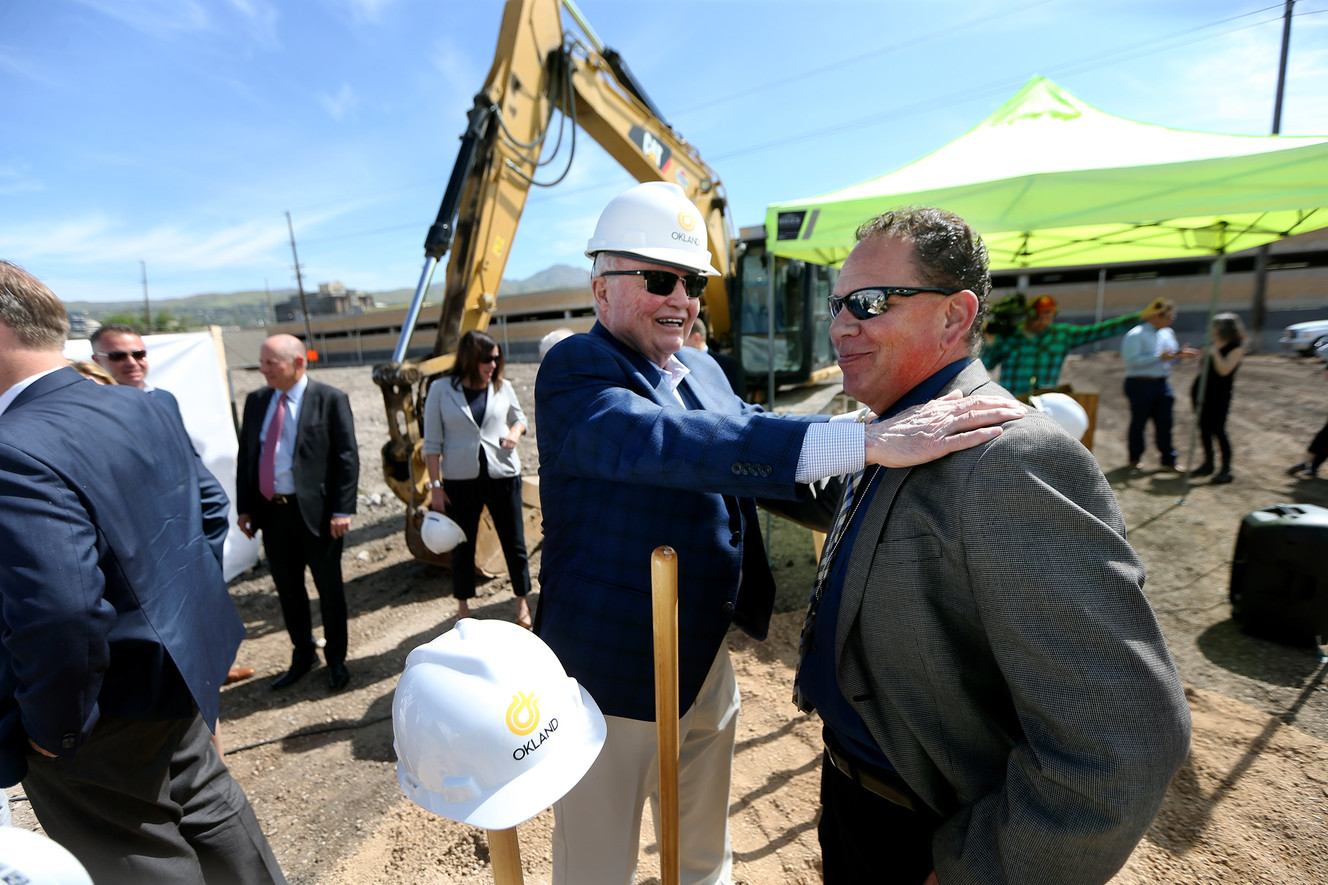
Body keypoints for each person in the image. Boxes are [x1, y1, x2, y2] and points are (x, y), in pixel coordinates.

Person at [534, 182, 1024, 885]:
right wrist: (865, 441)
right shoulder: (577, 371)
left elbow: (756, 456)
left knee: (703, 850)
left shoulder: (702, 366)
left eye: (692, 282)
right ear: (600, 287)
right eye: (658, 278)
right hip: (612, 676)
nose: (681, 299)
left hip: (702, 657)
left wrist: (878, 477)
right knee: (595, 866)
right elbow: (674, 443)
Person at [792, 208, 1190, 885]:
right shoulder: (896, 427)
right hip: (856, 799)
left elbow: (1122, 739)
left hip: (931, 837)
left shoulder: (1010, 457)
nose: (839, 325)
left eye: (868, 302)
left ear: (955, 317)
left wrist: (981, 870)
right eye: (836, 304)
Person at [0, 261, 286, 883]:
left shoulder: (13, 447)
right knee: (213, 813)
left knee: (139, 859)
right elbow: (197, 524)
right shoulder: (141, 410)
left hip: (93, 718)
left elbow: (61, 611)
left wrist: (55, 728)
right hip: (176, 677)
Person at [236, 334, 359, 692]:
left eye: (271, 363)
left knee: (329, 590)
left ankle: (337, 660)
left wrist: (342, 509)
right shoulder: (257, 400)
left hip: (319, 516)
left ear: (298, 363)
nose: (263, 370)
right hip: (273, 516)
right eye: (262, 362)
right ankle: (303, 654)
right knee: (289, 592)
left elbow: (346, 458)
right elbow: (248, 456)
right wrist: (246, 506)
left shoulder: (330, 399)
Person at [422, 329, 532, 627]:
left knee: (515, 542)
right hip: (460, 480)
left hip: (503, 474)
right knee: (462, 545)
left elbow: (520, 419)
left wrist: (514, 433)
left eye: (497, 358)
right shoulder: (441, 390)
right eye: (487, 359)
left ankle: (522, 602)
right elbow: (431, 444)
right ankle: (463, 608)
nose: (493, 364)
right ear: (470, 358)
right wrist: (435, 487)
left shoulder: (503, 386)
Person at [981, 294, 1168, 396]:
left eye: (1049, 316)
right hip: (1013, 401)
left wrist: (1140, 317)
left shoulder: (1061, 335)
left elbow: (1101, 330)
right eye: (1039, 316)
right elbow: (985, 364)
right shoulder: (1009, 336)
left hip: (1046, 402)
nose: (1044, 321)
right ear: (1029, 315)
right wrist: (988, 341)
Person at [1120, 298, 1199, 470]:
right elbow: (1131, 361)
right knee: (1139, 422)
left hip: (1162, 383)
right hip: (1140, 383)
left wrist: (1179, 356)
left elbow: (1170, 357)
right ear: (1157, 315)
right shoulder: (1136, 334)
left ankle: (1169, 459)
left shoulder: (1167, 333)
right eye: (1169, 317)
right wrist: (1159, 358)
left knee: (1165, 422)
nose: (1171, 321)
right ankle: (1134, 458)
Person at [1191, 312, 1246, 484]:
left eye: (1213, 326)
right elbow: (1201, 366)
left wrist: (1214, 353)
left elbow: (1224, 370)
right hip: (1202, 391)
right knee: (1204, 429)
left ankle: (1226, 469)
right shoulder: (1211, 344)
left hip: (1219, 395)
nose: (1209, 329)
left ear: (1222, 328)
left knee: (1219, 430)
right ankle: (1208, 464)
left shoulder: (1236, 348)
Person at [684, 316, 746, 395]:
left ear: (696, 338)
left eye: (683, 337)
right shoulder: (679, 367)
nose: (680, 343)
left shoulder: (729, 366)